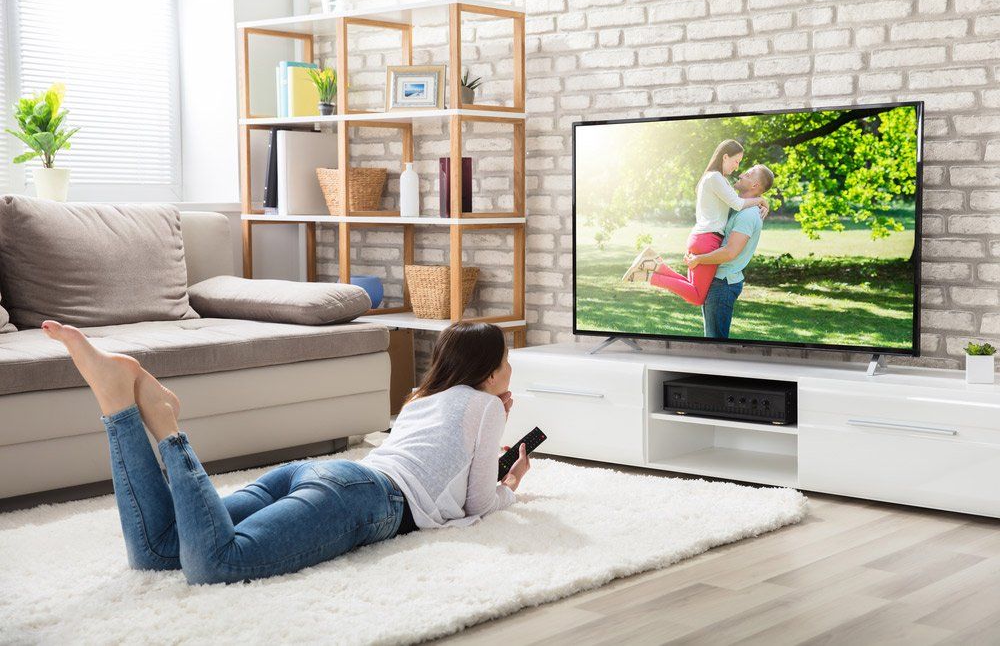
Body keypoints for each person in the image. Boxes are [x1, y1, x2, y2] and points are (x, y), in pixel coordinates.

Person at [40, 319, 530, 585]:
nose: (509, 369)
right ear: (488, 374)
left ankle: (118, 409)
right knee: (216, 564)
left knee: (158, 549)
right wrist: (509, 485)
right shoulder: (487, 407)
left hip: (320, 474)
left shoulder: (422, 399)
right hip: (365, 498)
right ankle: (169, 430)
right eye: (505, 362)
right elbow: (477, 505)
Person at [621, 140, 769, 305]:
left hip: (701, 237)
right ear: (725, 157)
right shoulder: (715, 178)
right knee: (697, 297)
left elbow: (735, 204)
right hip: (708, 239)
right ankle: (650, 275)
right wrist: (760, 200)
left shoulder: (713, 178)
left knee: (693, 288)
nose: (737, 167)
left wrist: (759, 200)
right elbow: (738, 203)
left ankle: (653, 263)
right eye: (736, 161)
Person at [684, 165, 774, 338]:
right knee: (711, 339)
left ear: (755, 185)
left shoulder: (747, 216)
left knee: (715, 343)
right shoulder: (738, 207)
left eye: (747, 174)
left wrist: (699, 259)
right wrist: (761, 200)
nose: (740, 174)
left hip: (723, 285)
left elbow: (730, 252)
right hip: (718, 280)